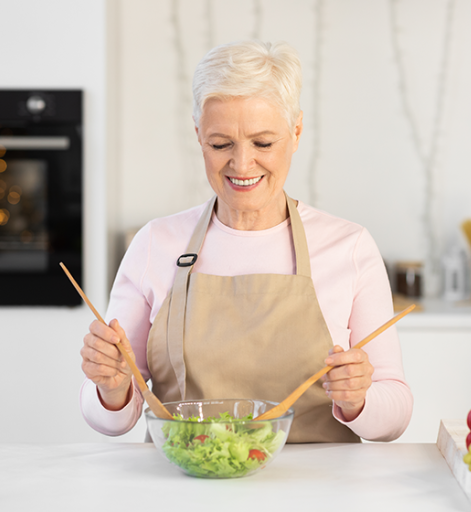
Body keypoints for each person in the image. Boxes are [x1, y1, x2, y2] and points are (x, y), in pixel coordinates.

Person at [79, 40, 412, 443]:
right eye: (221, 144)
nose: (241, 164)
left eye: (263, 143)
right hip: (188, 488)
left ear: (297, 131)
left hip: (320, 490)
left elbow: (395, 415)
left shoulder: (349, 246)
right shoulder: (156, 243)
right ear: (199, 135)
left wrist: (359, 400)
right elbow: (111, 419)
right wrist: (112, 389)